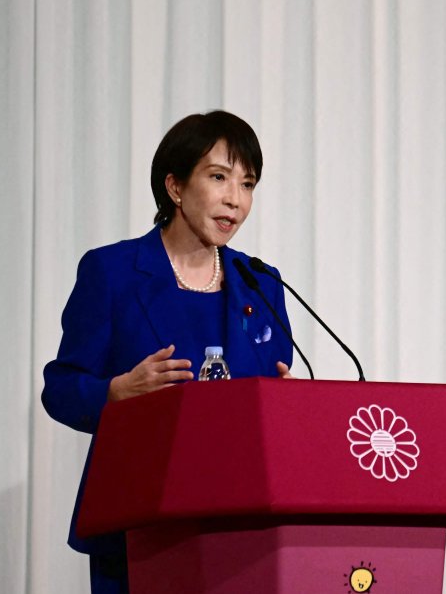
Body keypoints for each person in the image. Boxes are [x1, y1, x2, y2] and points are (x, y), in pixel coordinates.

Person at [41, 110, 295, 593]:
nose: (234, 200)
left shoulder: (260, 283)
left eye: (247, 184)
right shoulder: (112, 273)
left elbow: (276, 388)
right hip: (142, 523)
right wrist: (114, 392)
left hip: (244, 525)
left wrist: (288, 406)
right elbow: (59, 388)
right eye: (218, 177)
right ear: (175, 187)